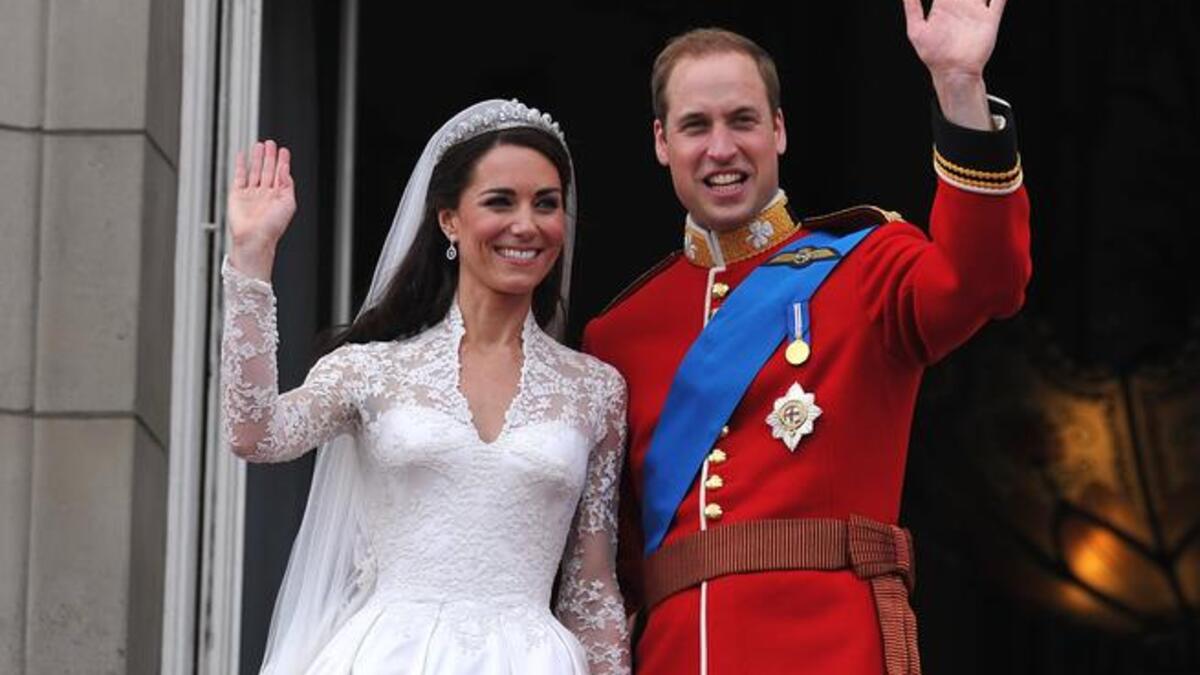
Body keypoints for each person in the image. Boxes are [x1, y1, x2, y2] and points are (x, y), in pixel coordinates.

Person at [582, 2, 1029, 673]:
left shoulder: (867, 266)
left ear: (780, 130)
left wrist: (959, 85)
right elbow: (608, 560)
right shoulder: (618, 332)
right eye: (695, 126)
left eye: (743, 120)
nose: (721, 148)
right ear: (660, 141)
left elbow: (985, 279)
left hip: (827, 648)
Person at [221, 99, 630, 674]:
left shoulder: (597, 391)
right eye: (499, 201)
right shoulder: (372, 369)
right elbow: (254, 434)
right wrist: (252, 257)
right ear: (449, 220)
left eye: (546, 204)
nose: (526, 224)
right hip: (391, 656)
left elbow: (592, 586)